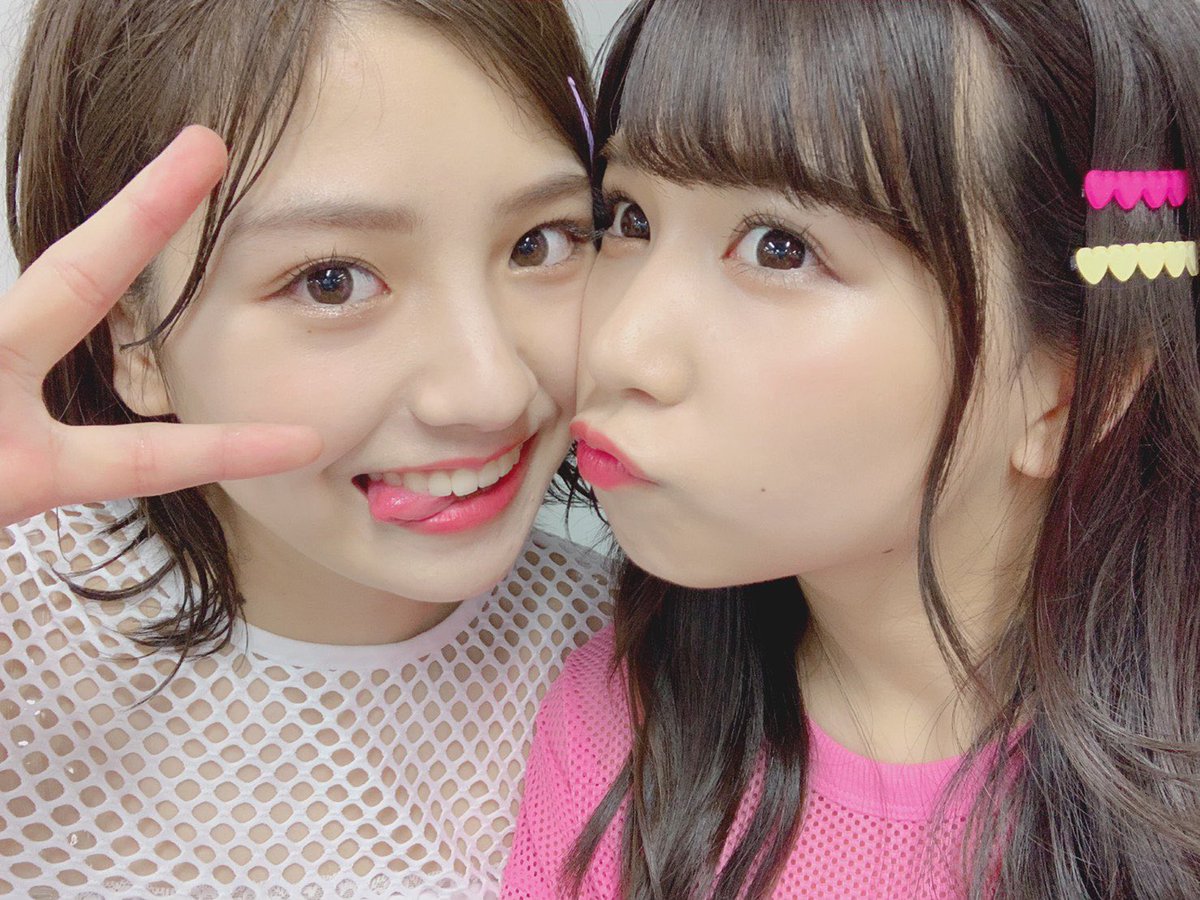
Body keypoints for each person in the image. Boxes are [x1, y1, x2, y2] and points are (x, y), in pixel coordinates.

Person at [503, 0, 1200, 896]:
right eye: (629, 218)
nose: (613, 347)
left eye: (780, 248)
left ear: (1070, 387)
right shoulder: (618, 731)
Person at [0, 0, 611, 896]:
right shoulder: (18, 655)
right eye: (332, 282)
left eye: (539, 243)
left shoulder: (670, 654)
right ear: (133, 340)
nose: (491, 390)